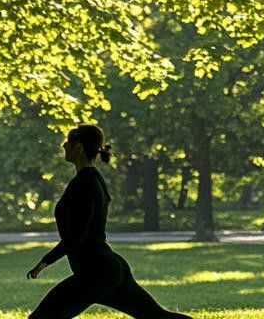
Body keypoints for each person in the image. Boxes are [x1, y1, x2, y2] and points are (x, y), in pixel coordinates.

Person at [27, 123, 193, 319]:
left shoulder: (84, 184)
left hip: (97, 272)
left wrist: (44, 262)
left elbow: (76, 235)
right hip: (107, 268)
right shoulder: (92, 179)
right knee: (156, 316)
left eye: (68, 142)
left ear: (78, 147)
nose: (64, 146)